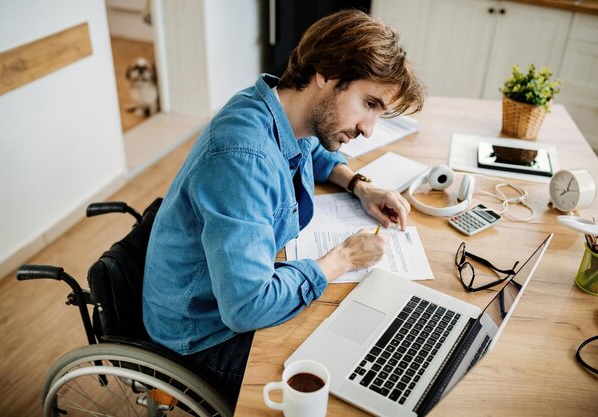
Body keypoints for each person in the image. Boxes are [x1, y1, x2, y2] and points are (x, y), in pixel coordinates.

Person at [142, 8, 424, 406]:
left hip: (228, 298)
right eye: (369, 103)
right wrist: (341, 258)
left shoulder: (283, 109)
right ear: (326, 73)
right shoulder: (243, 157)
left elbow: (314, 151)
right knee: (344, 387)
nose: (368, 129)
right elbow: (247, 308)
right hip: (201, 334)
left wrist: (360, 185)